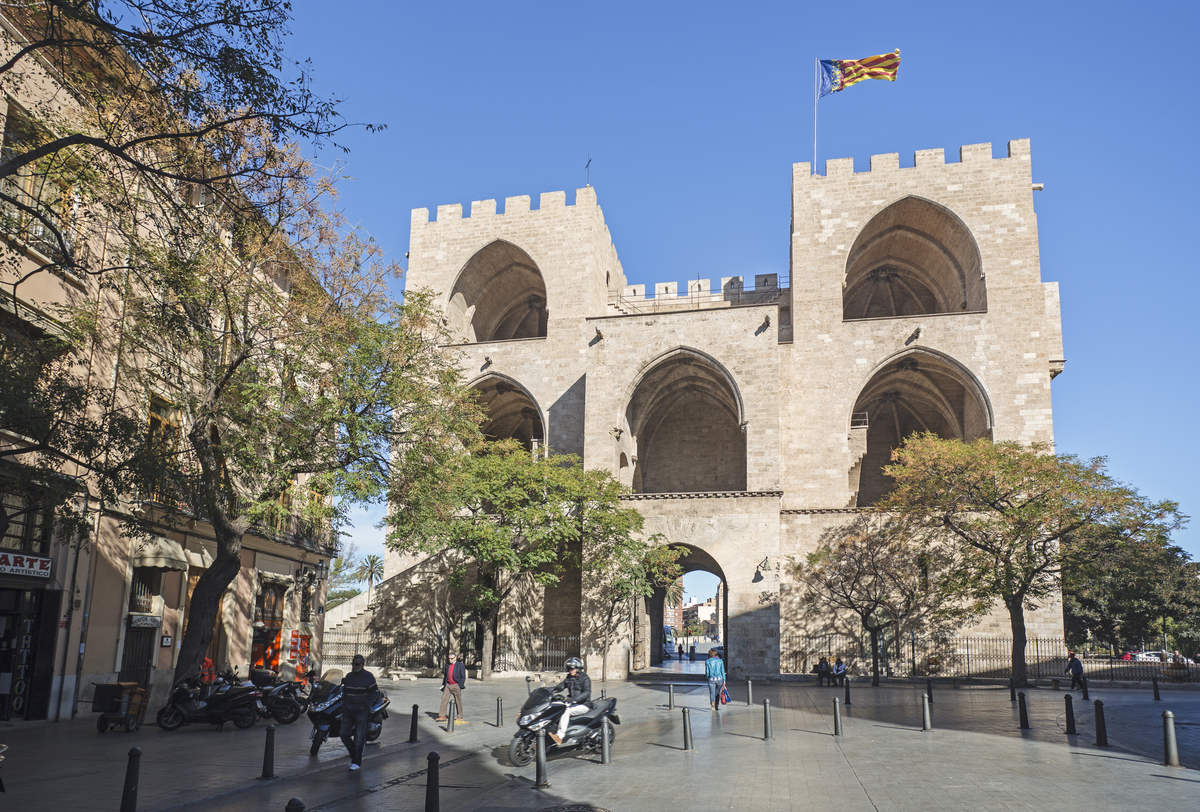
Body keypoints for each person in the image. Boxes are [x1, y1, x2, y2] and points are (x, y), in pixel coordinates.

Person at [340, 654, 378, 771]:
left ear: (362, 665)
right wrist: (344, 704)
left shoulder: (368, 677)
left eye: (356, 664)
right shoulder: (349, 676)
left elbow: (375, 692)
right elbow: (345, 691)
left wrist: (365, 706)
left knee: (359, 737)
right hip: (348, 710)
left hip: (361, 711)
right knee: (343, 733)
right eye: (353, 664)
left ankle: (356, 761)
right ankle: (354, 754)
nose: (354, 666)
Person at [549, 657, 591, 744]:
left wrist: (574, 699)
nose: (570, 670)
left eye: (572, 668)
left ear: (578, 668)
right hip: (571, 702)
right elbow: (561, 686)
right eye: (569, 669)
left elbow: (587, 692)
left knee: (565, 711)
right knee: (554, 706)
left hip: (583, 704)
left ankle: (560, 736)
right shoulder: (569, 677)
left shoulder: (584, 678)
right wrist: (548, 690)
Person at [437, 652, 466, 723]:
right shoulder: (447, 665)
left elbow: (463, 676)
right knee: (444, 699)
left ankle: (459, 716)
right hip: (448, 685)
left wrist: (460, 684)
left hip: (456, 685)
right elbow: (446, 676)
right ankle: (442, 715)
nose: (450, 660)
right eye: (449, 658)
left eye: (452, 658)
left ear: (455, 658)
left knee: (458, 701)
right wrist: (443, 684)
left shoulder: (460, 665)